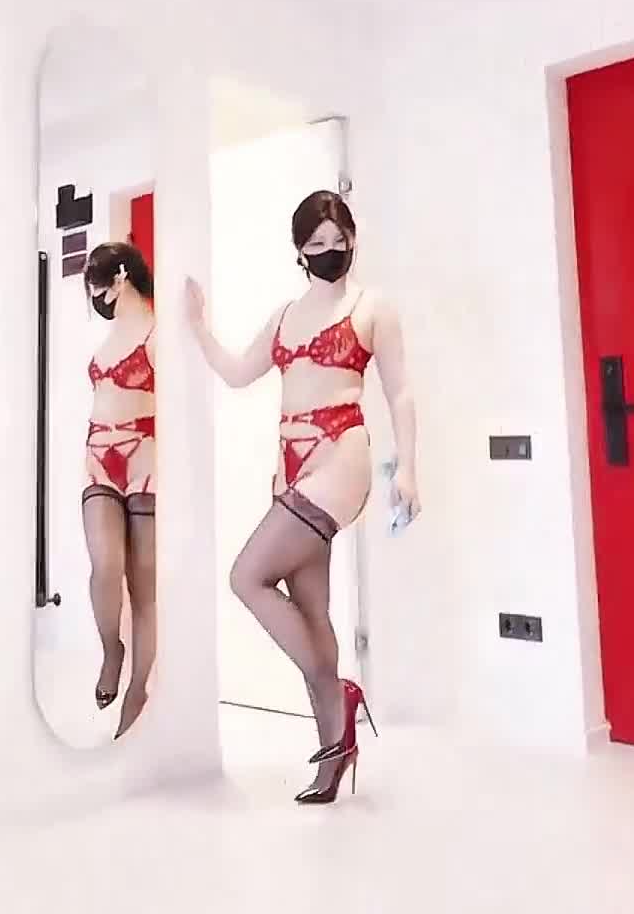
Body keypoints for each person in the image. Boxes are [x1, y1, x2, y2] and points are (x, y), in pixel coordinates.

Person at [185, 190, 420, 803]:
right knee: (312, 610)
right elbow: (239, 373)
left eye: (339, 240)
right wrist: (198, 327)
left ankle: (337, 698)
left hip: (341, 455)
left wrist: (408, 469)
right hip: (289, 465)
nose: (330, 251)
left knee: (247, 576)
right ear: (298, 250)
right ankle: (335, 749)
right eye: (316, 244)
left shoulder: (371, 308)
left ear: (353, 240)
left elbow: (400, 391)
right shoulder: (286, 315)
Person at [81, 241, 158, 738]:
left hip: (145, 457)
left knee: (144, 586)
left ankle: (138, 689)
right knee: (105, 568)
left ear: (121, 276)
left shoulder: (157, 332)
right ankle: (113, 648)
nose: (96, 297)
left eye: (98, 286)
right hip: (98, 457)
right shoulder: (107, 340)